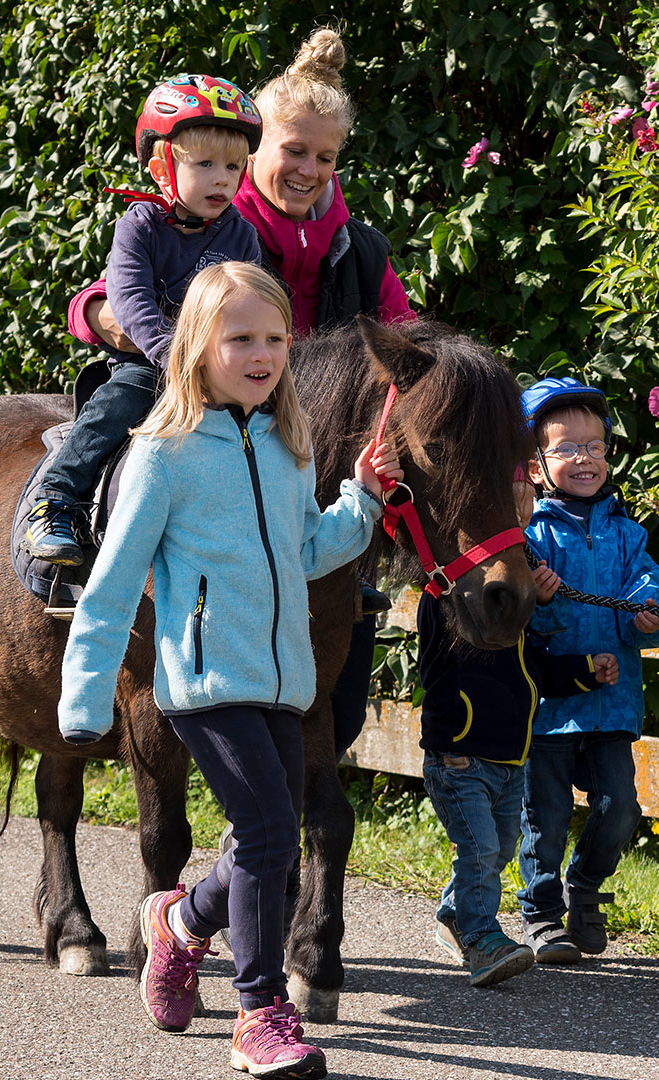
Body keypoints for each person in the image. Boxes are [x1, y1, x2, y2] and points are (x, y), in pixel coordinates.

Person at [56, 261, 402, 1079]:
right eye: (240, 336)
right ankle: (258, 1014)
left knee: (266, 847)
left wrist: (359, 501)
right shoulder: (163, 455)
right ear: (196, 348)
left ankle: (178, 926)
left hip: (283, 681)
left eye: (275, 337)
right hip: (204, 683)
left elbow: (308, 552)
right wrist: (84, 694)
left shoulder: (291, 446)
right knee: (272, 834)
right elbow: (110, 583)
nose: (262, 352)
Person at [68, 28, 414, 757]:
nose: (308, 169)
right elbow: (118, 291)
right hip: (208, 418)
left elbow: (405, 337)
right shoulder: (215, 212)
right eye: (294, 151)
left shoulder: (361, 247)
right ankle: (72, 536)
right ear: (254, 150)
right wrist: (98, 313)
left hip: (304, 452)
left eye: (325, 157)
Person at [21, 73, 265, 567]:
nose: (223, 177)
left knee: (298, 417)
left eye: (234, 166)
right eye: (206, 163)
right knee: (121, 401)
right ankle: (57, 498)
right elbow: (129, 299)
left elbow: (253, 300)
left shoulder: (241, 236)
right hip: (156, 360)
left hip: (225, 366)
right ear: (161, 168)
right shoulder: (140, 226)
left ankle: (309, 531)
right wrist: (170, 352)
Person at [417, 476, 619, 987]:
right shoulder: (448, 595)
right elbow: (440, 639)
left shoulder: (516, 610)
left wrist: (581, 671)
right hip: (460, 756)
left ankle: (452, 912)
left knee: (501, 850)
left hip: (511, 760)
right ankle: (481, 939)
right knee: (482, 851)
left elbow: (538, 671)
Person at [516, 377, 659, 964]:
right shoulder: (528, 539)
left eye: (595, 445)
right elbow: (516, 625)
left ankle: (584, 890)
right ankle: (540, 912)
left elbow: (647, 587)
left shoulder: (626, 533)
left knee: (619, 809)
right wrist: (540, 600)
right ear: (535, 466)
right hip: (552, 709)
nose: (584, 457)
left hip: (611, 705)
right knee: (548, 816)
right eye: (566, 448)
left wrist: (649, 615)